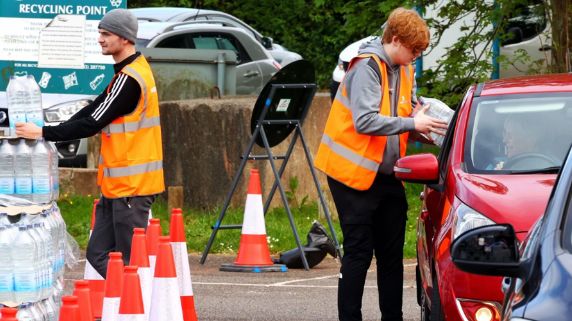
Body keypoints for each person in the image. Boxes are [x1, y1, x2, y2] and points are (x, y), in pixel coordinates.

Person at [314, 7, 448, 321]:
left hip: (386, 173)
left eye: (420, 52)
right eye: (413, 50)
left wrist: (427, 129)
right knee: (359, 251)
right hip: (352, 175)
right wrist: (412, 124)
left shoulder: (405, 69)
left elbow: (405, 117)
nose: (416, 56)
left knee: (391, 255)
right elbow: (365, 121)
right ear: (396, 40)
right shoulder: (367, 67)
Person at [16, 9, 165, 278]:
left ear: (125, 39)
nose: (100, 39)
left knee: (131, 262)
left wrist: (43, 133)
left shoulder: (130, 79)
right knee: (98, 254)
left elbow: (92, 122)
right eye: (100, 33)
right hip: (118, 187)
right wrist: (53, 130)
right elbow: (93, 109)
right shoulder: (127, 74)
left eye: (106, 34)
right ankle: (129, 302)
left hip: (132, 188)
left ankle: (139, 306)